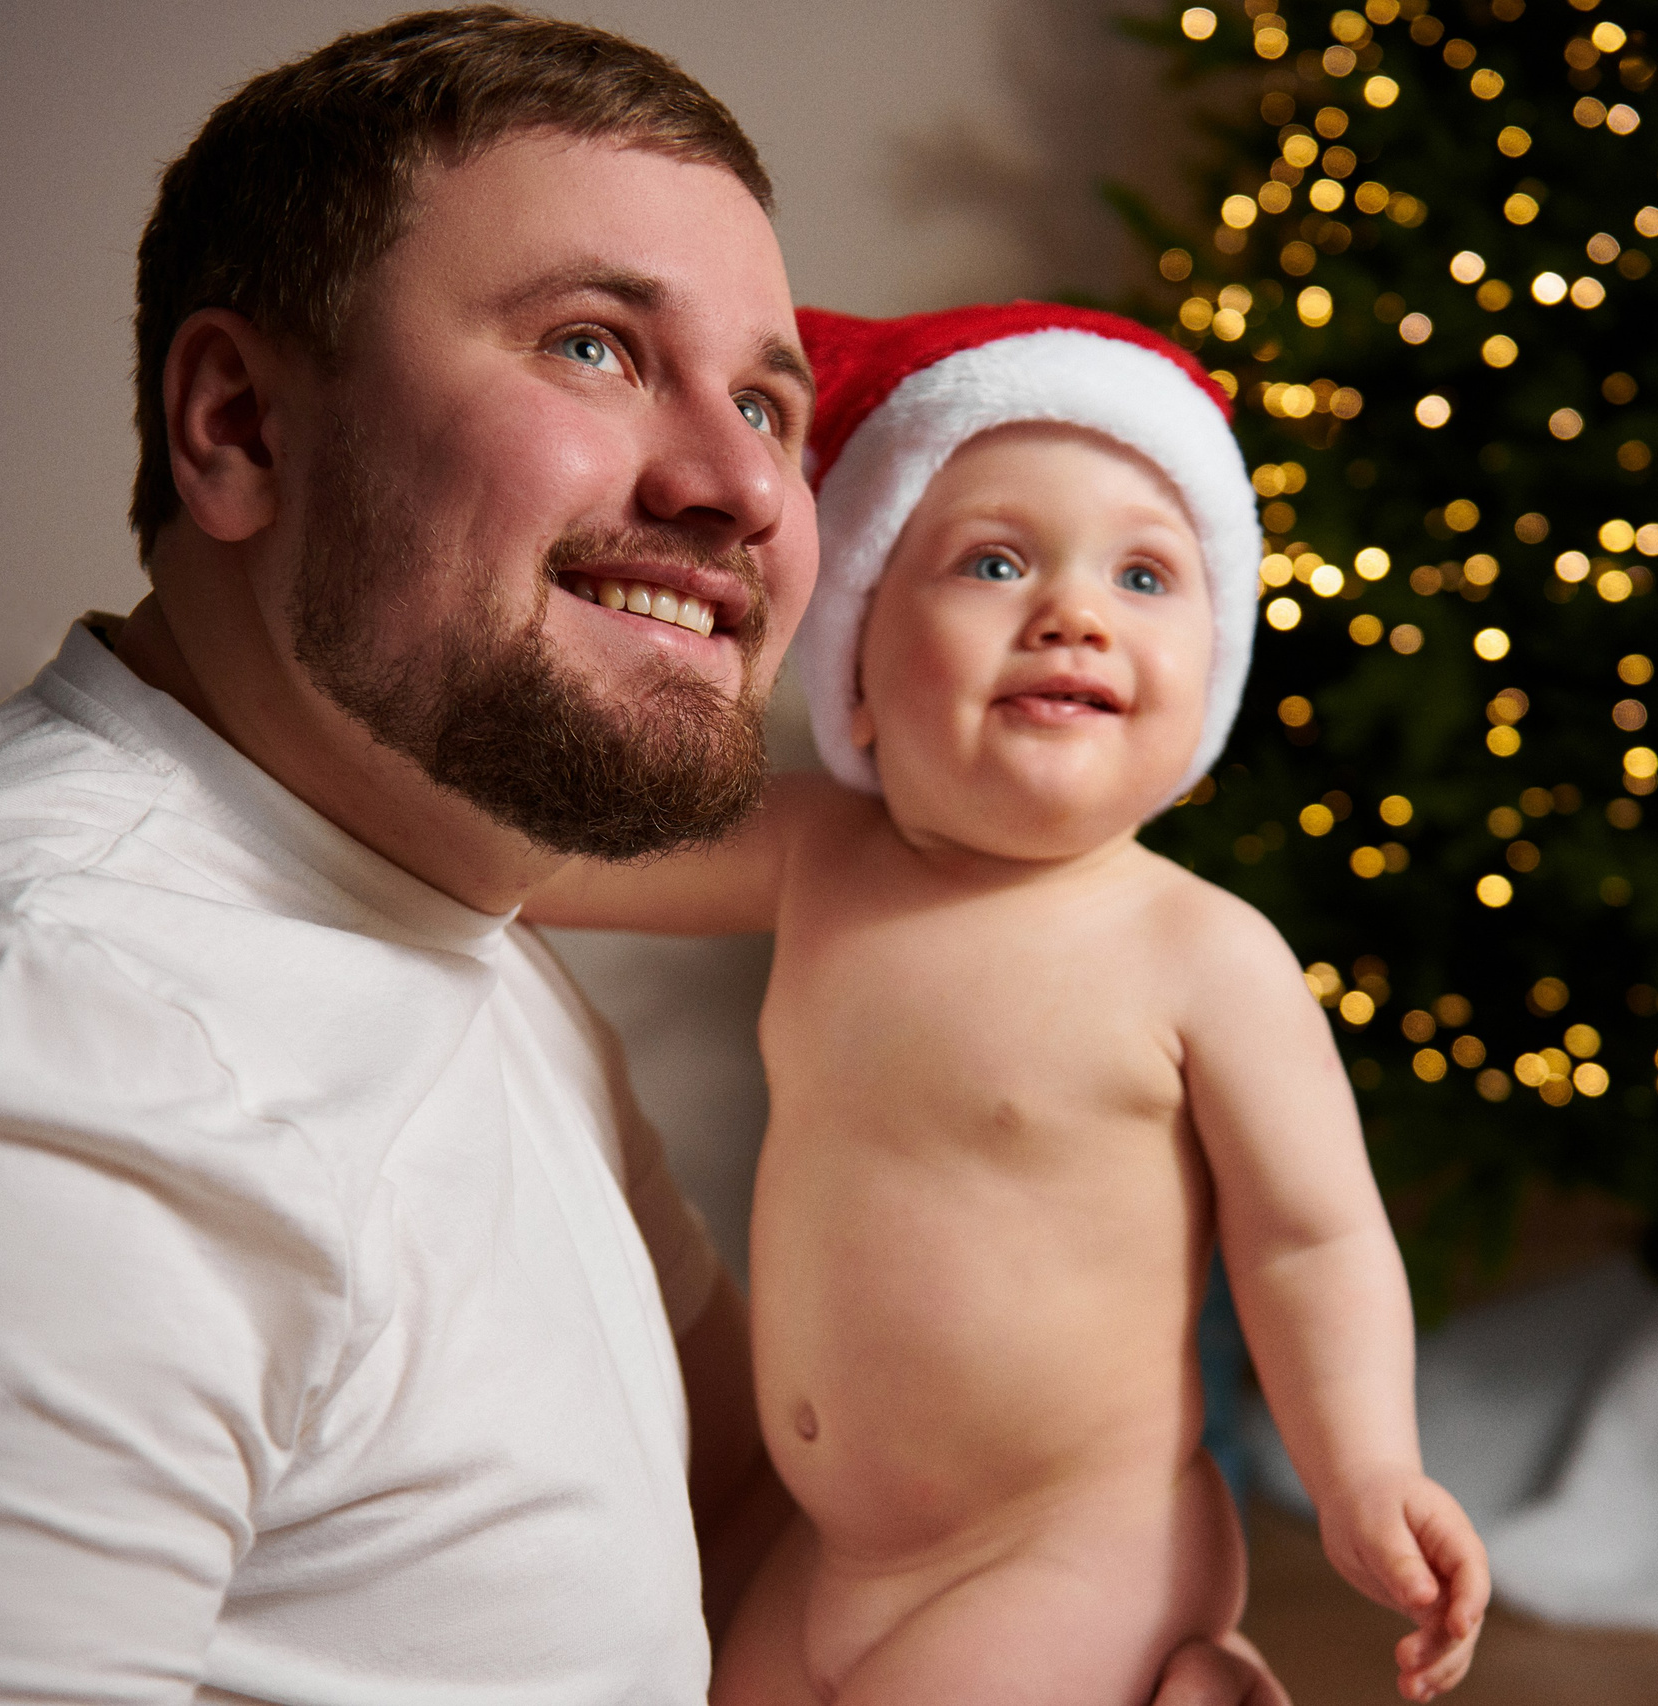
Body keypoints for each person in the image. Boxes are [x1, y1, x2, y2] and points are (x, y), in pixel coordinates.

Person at [0, 12, 1277, 1701]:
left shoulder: (439, 904)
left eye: (769, 403)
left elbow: (746, 1521)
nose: (741, 489)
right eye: (593, 348)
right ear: (241, 427)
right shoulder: (34, 1061)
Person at [526, 302, 1490, 1703]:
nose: (1075, 611)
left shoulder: (1201, 951)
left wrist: (1368, 1469)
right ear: (855, 657)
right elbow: (548, 859)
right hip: (838, 1545)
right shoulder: (814, 853)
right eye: (994, 559)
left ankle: (1183, 1663)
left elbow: (1309, 1240)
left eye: (1148, 576)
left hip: (1064, 1549)